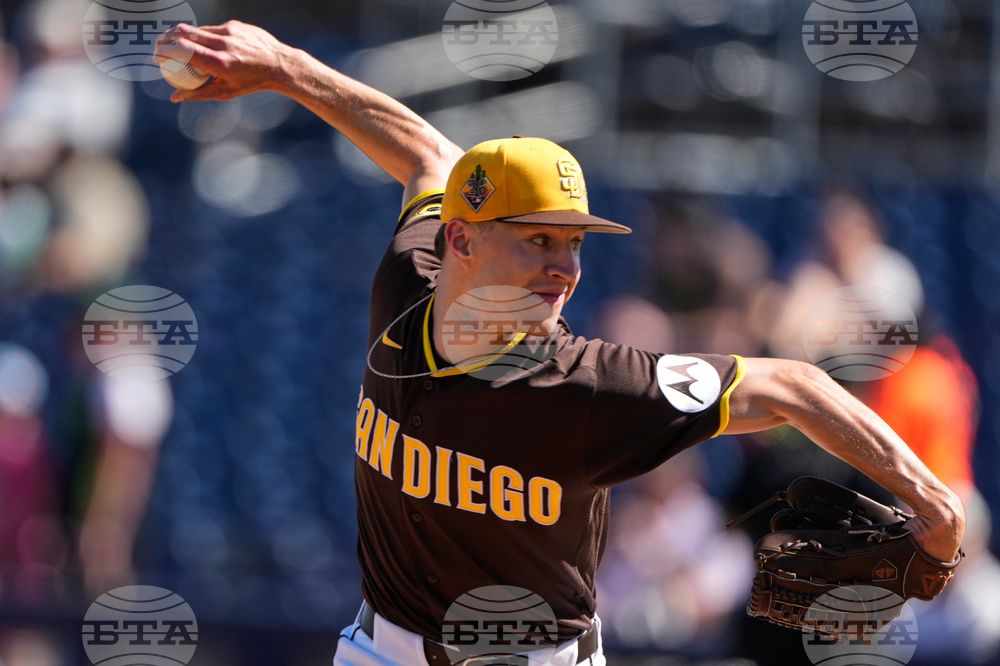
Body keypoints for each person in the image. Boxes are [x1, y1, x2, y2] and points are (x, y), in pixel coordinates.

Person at [155, 21, 965, 666]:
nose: (566, 269)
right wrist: (286, 67)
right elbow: (428, 154)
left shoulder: (590, 386)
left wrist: (931, 501)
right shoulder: (409, 279)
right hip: (383, 650)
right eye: (538, 240)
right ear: (460, 241)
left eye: (574, 244)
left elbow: (792, 385)